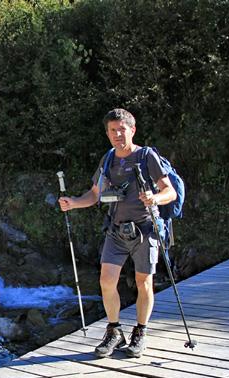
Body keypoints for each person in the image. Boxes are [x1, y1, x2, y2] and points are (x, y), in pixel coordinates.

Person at [58, 108, 177, 358]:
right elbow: (95, 194)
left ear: (132, 130)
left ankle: (140, 333)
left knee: (144, 283)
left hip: (146, 230)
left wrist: (154, 197)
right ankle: (114, 331)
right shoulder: (109, 159)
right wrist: (73, 202)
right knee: (106, 281)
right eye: (112, 130)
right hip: (116, 230)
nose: (117, 135)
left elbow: (170, 192)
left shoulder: (147, 157)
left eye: (121, 130)